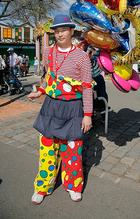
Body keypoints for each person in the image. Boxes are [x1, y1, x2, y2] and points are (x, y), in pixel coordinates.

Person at [28, 14, 93, 204]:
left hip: (73, 107)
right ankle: (43, 187)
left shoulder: (82, 57)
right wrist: (40, 91)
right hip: (50, 106)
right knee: (47, 149)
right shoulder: (48, 52)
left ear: (72, 31)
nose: (60, 34)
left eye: (63, 30)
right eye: (56, 31)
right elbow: (48, 77)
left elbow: (87, 87)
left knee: (72, 149)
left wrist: (87, 115)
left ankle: (73, 185)